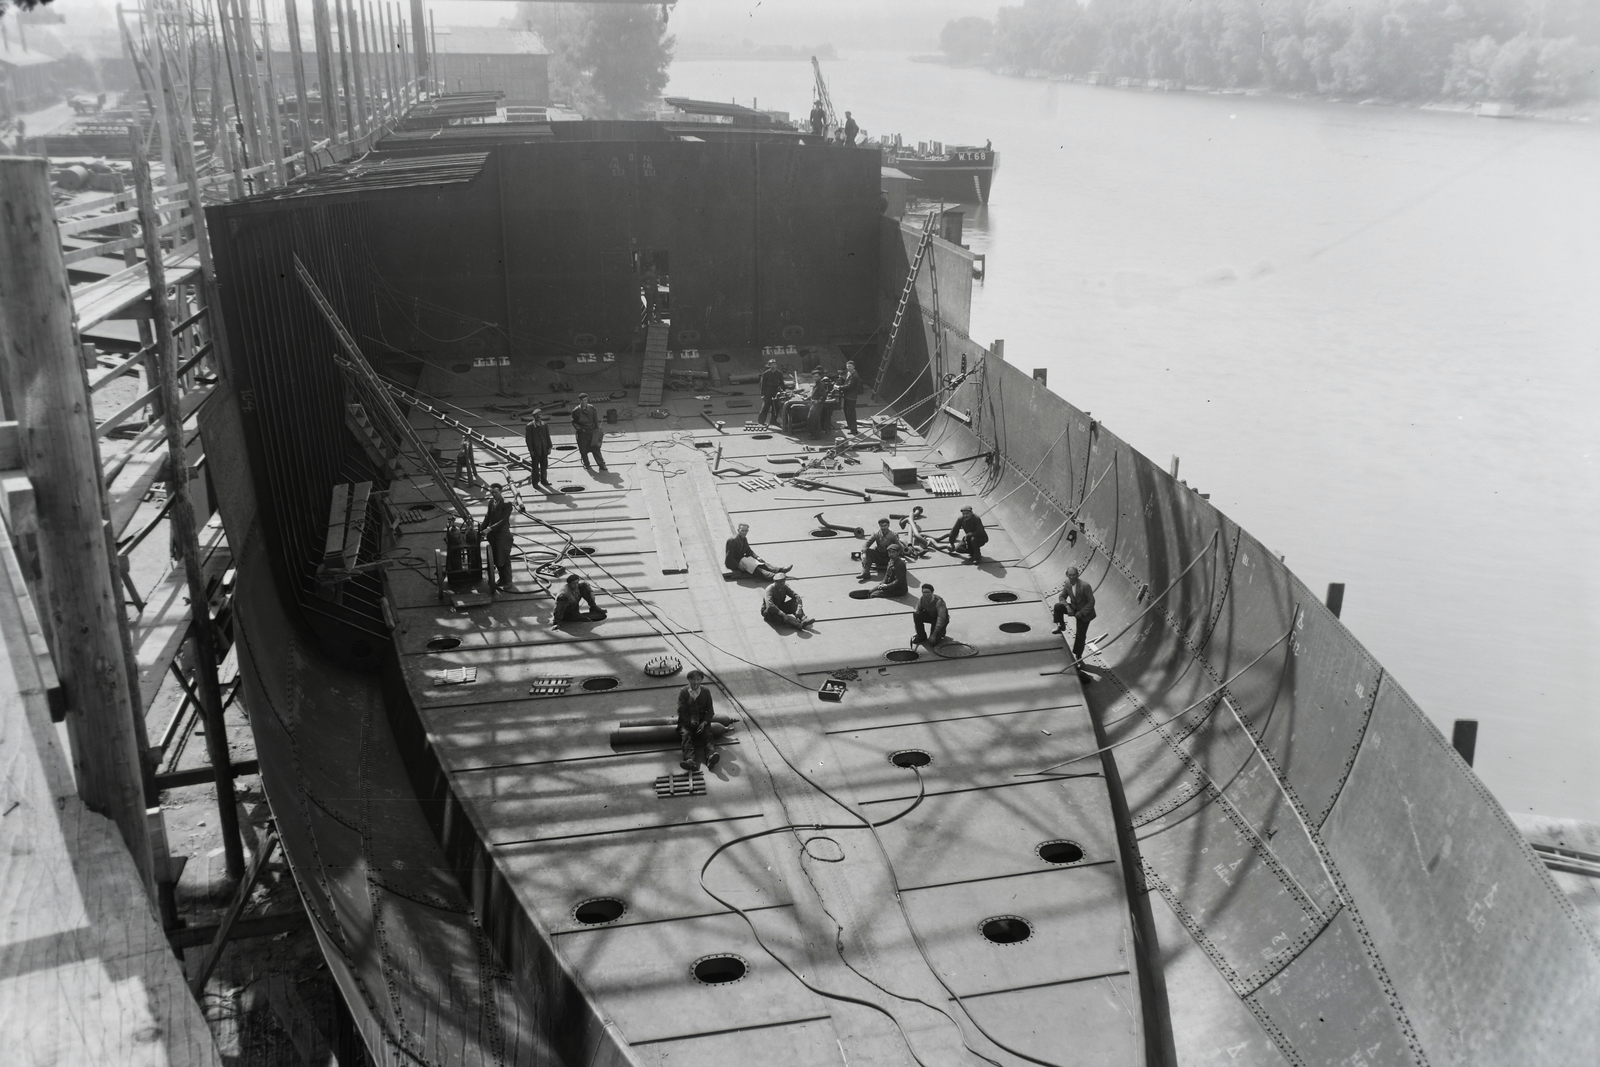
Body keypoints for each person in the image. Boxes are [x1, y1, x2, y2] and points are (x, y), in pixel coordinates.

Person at [1051, 566, 1097, 663]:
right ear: (1067, 575)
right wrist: (1068, 607)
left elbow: (1091, 602)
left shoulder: (1085, 586)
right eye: (1070, 575)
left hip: (1085, 613)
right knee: (1058, 607)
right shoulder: (1067, 583)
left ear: (1078, 575)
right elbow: (1062, 596)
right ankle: (1061, 625)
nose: (1072, 577)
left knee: (1080, 635)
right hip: (1074, 608)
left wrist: (1081, 613)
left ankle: (1078, 656)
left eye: (1074, 575)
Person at [677, 669, 719, 772]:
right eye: (693, 680)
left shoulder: (705, 691)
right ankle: (690, 760)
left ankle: (711, 757)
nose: (696, 682)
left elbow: (710, 710)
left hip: (702, 721)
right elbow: (681, 711)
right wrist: (690, 722)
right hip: (687, 722)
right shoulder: (683, 692)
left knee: (708, 736)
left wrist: (704, 723)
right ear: (689, 680)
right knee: (686, 736)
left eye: (698, 679)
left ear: (701, 680)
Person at [725, 523, 792, 579]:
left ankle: (779, 570)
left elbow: (748, 551)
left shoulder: (744, 538)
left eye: (746, 531)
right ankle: (772, 576)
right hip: (733, 562)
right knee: (754, 567)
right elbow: (729, 557)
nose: (744, 532)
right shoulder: (733, 540)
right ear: (738, 530)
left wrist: (757, 557)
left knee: (760, 563)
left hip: (742, 559)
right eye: (742, 530)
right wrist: (738, 566)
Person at [483, 485, 515, 591]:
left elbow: (503, 520)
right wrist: (480, 530)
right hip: (493, 535)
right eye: (492, 492)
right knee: (496, 558)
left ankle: (508, 581)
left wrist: (490, 528)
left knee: (504, 558)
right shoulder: (491, 502)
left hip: (503, 535)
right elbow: (487, 517)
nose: (493, 494)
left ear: (501, 492)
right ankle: (502, 579)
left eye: (495, 492)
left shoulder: (507, 503)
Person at [570, 393, 606, 471]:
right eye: (582, 400)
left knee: (596, 448)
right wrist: (580, 429)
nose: (584, 402)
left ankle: (601, 464)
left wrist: (597, 430)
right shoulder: (576, 411)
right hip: (582, 433)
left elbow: (595, 420)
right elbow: (574, 422)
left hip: (592, 431)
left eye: (585, 400)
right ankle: (587, 464)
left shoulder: (592, 408)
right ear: (579, 401)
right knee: (583, 450)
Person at [524, 410, 553, 489]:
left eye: (540, 414)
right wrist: (531, 450)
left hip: (544, 450)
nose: (539, 416)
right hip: (535, 451)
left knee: (544, 466)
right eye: (537, 415)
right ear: (534, 416)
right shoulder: (529, 426)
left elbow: (547, 437)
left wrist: (549, 447)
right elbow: (528, 440)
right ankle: (535, 483)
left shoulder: (544, 425)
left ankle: (544, 480)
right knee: (535, 468)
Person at [837, 360, 863, 433]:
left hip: (851, 397)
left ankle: (854, 429)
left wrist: (839, 387)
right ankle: (849, 425)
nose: (848, 368)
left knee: (851, 413)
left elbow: (849, 386)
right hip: (847, 396)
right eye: (847, 366)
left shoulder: (854, 376)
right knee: (846, 411)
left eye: (850, 366)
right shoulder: (849, 373)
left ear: (854, 367)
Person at [757, 359, 786, 425]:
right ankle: (761, 421)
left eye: (774, 364)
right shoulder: (766, 374)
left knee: (776, 407)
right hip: (768, 391)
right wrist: (762, 394)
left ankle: (773, 420)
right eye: (771, 365)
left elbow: (782, 383)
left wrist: (781, 389)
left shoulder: (779, 373)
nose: (773, 366)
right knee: (765, 406)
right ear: (769, 366)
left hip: (776, 391)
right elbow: (762, 384)